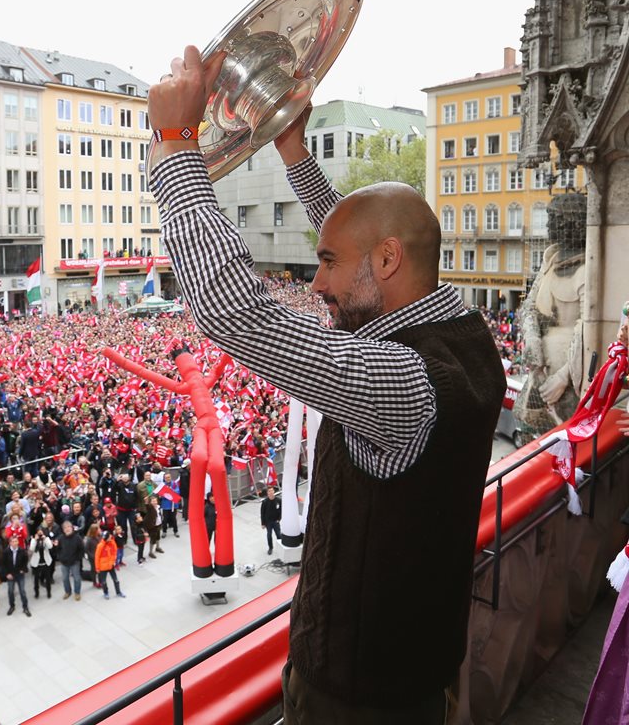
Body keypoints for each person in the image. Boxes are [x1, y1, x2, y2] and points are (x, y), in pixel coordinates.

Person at [148, 47, 505, 723]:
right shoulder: (464, 330)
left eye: (327, 263)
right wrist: (293, 152)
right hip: (412, 677)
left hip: (357, 700)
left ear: (387, 262)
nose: (316, 286)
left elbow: (236, 312)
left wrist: (175, 148)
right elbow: (371, 235)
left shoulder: (405, 383)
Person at [0, 534, 30, 617]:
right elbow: (3, 564)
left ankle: (25, 607)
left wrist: (23, 569)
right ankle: (12, 606)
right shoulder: (5, 552)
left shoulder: (22, 551)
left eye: (16, 541)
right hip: (10, 575)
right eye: (13, 542)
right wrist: (7, 574)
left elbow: (25, 561)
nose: (15, 543)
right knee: (10, 591)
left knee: (22, 591)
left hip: (19, 574)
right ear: (9, 543)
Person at [56, 520, 84, 602]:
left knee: (77, 578)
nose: (67, 529)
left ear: (72, 528)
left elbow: (81, 549)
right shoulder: (60, 538)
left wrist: (78, 558)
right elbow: (58, 549)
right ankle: (68, 592)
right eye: (65, 527)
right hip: (64, 563)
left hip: (74, 562)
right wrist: (60, 557)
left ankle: (77, 592)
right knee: (65, 578)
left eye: (69, 527)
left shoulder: (77, 538)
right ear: (63, 529)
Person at [94, 530, 124, 599]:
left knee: (116, 580)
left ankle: (118, 592)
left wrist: (113, 561)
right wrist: (97, 568)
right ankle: (105, 592)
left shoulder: (112, 542)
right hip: (103, 567)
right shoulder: (100, 546)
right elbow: (97, 557)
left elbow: (115, 551)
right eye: (109, 536)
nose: (111, 536)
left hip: (111, 566)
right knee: (103, 582)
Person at [260, 486, 282, 556]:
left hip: (276, 521)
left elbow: (281, 510)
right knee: (269, 535)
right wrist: (263, 523)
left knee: (279, 535)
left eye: (272, 490)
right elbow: (262, 513)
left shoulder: (278, 500)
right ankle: (270, 548)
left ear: (274, 491)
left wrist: (279, 519)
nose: (271, 492)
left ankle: (280, 547)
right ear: (267, 493)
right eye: (269, 491)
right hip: (268, 522)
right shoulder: (265, 502)